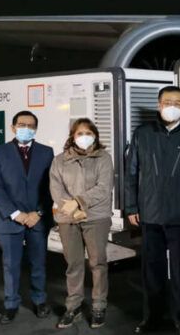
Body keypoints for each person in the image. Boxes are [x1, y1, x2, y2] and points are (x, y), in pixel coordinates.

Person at [125, 85, 180, 335]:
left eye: (177, 102)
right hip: (149, 215)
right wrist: (131, 206)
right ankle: (151, 318)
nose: (172, 106)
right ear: (159, 104)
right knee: (152, 271)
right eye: (167, 102)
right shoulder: (142, 134)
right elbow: (131, 174)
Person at [0, 110, 54, 324]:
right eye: (22, 124)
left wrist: (39, 212)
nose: (26, 128)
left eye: (31, 125)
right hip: (9, 219)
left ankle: (39, 300)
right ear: (13, 127)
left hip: (37, 219)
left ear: (36, 129)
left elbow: (51, 187)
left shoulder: (47, 152)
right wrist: (16, 214)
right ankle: (11, 305)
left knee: (38, 263)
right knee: (11, 265)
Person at [49, 118, 114, 329]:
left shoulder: (103, 158)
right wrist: (71, 210)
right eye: (79, 133)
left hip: (96, 217)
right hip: (68, 219)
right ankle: (73, 306)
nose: (84, 137)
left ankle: (99, 306)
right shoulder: (60, 160)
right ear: (72, 136)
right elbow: (56, 189)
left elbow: (103, 188)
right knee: (74, 264)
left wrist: (78, 203)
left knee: (98, 263)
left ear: (95, 136)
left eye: (88, 133)